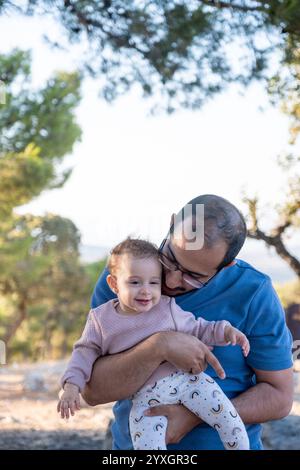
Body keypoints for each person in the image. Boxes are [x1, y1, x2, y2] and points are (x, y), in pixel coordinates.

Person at [83, 195, 294, 450]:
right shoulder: (126, 278)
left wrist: (197, 416)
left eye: (193, 276)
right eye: (169, 259)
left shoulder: (254, 293)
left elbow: (279, 396)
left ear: (227, 266)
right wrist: (159, 347)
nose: (171, 281)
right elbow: (92, 391)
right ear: (171, 225)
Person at [58, 238, 250, 450]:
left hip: (190, 382)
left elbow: (199, 328)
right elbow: (83, 353)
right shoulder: (101, 320)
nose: (145, 291)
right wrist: (71, 386)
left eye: (153, 282)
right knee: (146, 446)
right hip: (146, 398)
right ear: (114, 284)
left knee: (229, 420)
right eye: (134, 282)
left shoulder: (167, 308)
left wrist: (226, 331)